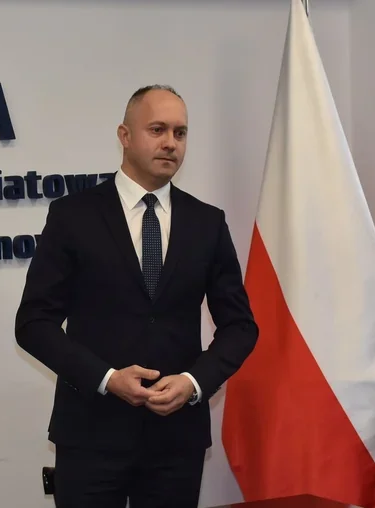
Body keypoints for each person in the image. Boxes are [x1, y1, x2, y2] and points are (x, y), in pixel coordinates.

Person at [15, 84, 259, 508]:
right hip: (90, 434)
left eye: (180, 133)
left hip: (176, 442)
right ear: (125, 136)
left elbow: (240, 326)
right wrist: (107, 379)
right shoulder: (73, 216)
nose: (170, 143)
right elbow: (34, 324)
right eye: (157, 130)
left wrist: (194, 382)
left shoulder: (207, 222)